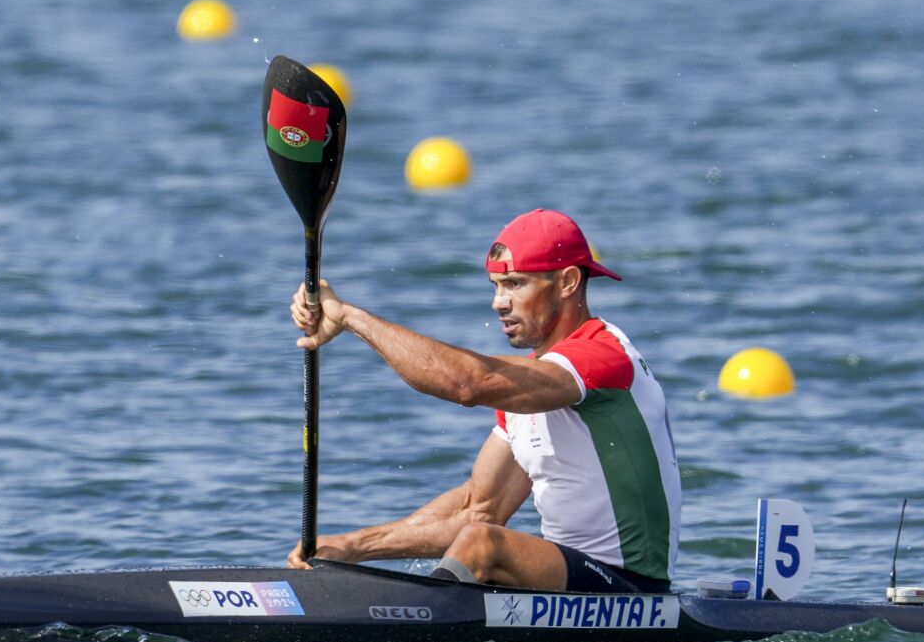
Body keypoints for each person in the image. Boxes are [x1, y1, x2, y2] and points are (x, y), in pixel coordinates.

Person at [287, 208, 680, 593]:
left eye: (515, 284)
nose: (499, 302)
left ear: (567, 282)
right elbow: (477, 507)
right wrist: (351, 548)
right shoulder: (529, 387)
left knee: (484, 545)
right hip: (568, 579)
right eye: (495, 286)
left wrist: (352, 318)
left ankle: (420, 625)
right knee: (480, 534)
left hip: (631, 588)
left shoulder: (602, 355)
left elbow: (467, 385)